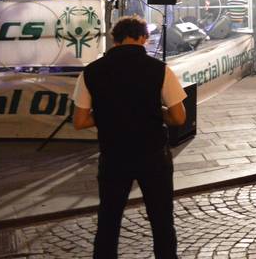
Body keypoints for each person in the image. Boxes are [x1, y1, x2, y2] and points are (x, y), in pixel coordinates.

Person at [72, 15, 187, 258]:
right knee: (162, 221)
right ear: (143, 38)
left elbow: (80, 121)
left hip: (114, 155)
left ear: (114, 40)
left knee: (109, 221)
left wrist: (106, 114)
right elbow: (179, 117)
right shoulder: (160, 70)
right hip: (153, 155)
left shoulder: (91, 72)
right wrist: (157, 112)